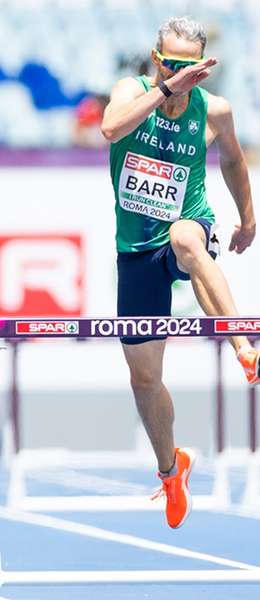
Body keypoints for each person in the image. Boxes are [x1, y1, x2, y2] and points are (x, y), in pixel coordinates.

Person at [101, 16, 258, 529]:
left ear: (204, 69)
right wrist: (166, 85)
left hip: (188, 227)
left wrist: (248, 219)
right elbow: (110, 129)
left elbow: (233, 161)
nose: (177, 73)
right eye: (168, 63)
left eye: (188, 68)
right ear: (155, 57)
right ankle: (171, 470)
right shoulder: (132, 90)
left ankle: (245, 350)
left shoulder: (214, 111)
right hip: (135, 249)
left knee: (186, 238)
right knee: (144, 380)